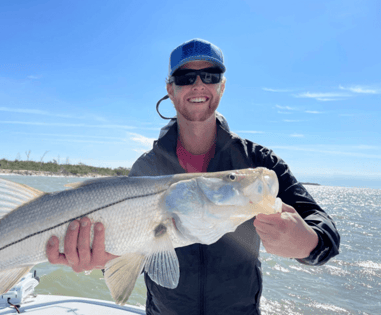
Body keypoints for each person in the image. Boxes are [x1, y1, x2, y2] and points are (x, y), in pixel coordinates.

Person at [46, 38, 340, 314]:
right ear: (170, 89)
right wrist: (96, 259)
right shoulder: (145, 169)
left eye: (210, 76)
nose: (198, 85)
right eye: (186, 78)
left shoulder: (258, 164)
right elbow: (124, 249)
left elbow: (325, 230)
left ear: (222, 87)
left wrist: (308, 242)